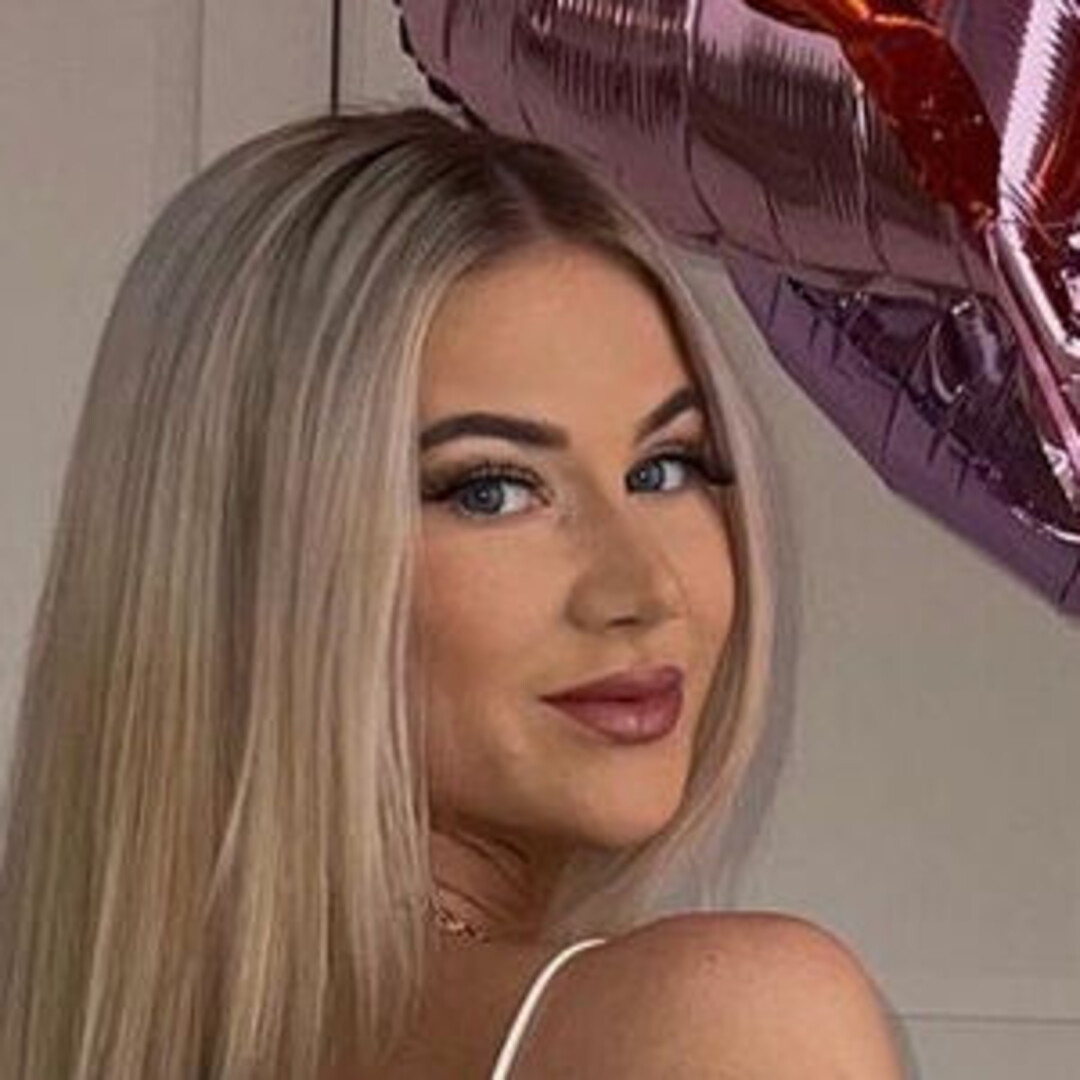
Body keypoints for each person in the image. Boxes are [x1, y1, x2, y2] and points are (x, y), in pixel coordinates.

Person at [0, 105, 906, 1079]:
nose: (643, 589)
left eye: (666, 468)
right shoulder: (730, 1020)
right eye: (491, 490)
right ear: (263, 564)